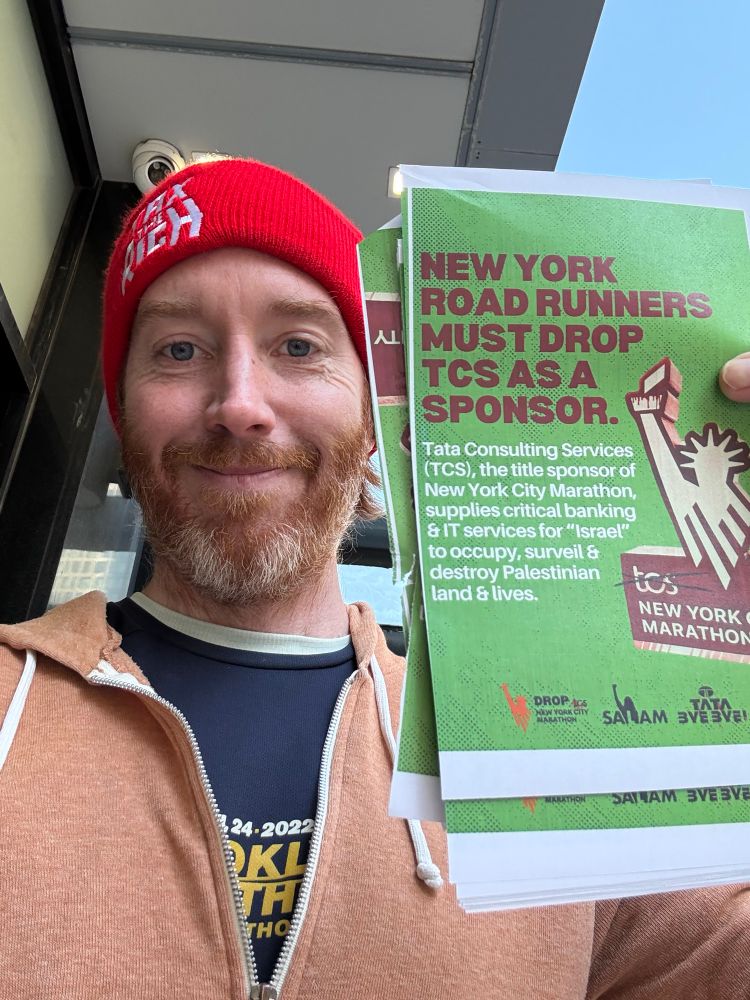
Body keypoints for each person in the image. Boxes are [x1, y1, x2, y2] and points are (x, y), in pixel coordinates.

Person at [0, 157, 747, 1000]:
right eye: (180, 348)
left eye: (299, 345)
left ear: (371, 427)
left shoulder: (530, 751)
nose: (240, 402)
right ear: (126, 413)